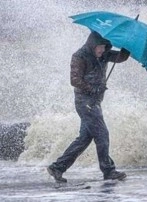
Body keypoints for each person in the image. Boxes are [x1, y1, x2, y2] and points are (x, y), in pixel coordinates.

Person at [47, 31, 130, 183]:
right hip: (85, 102)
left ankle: (57, 167)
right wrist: (93, 89)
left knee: (84, 139)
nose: (102, 50)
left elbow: (120, 58)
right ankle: (108, 170)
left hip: (95, 102)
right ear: (93, 45)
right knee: (102, 134)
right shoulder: (79, 56)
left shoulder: (104, 54)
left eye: (105, 47)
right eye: (100, 47)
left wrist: (127, 46)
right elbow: (74, 80)